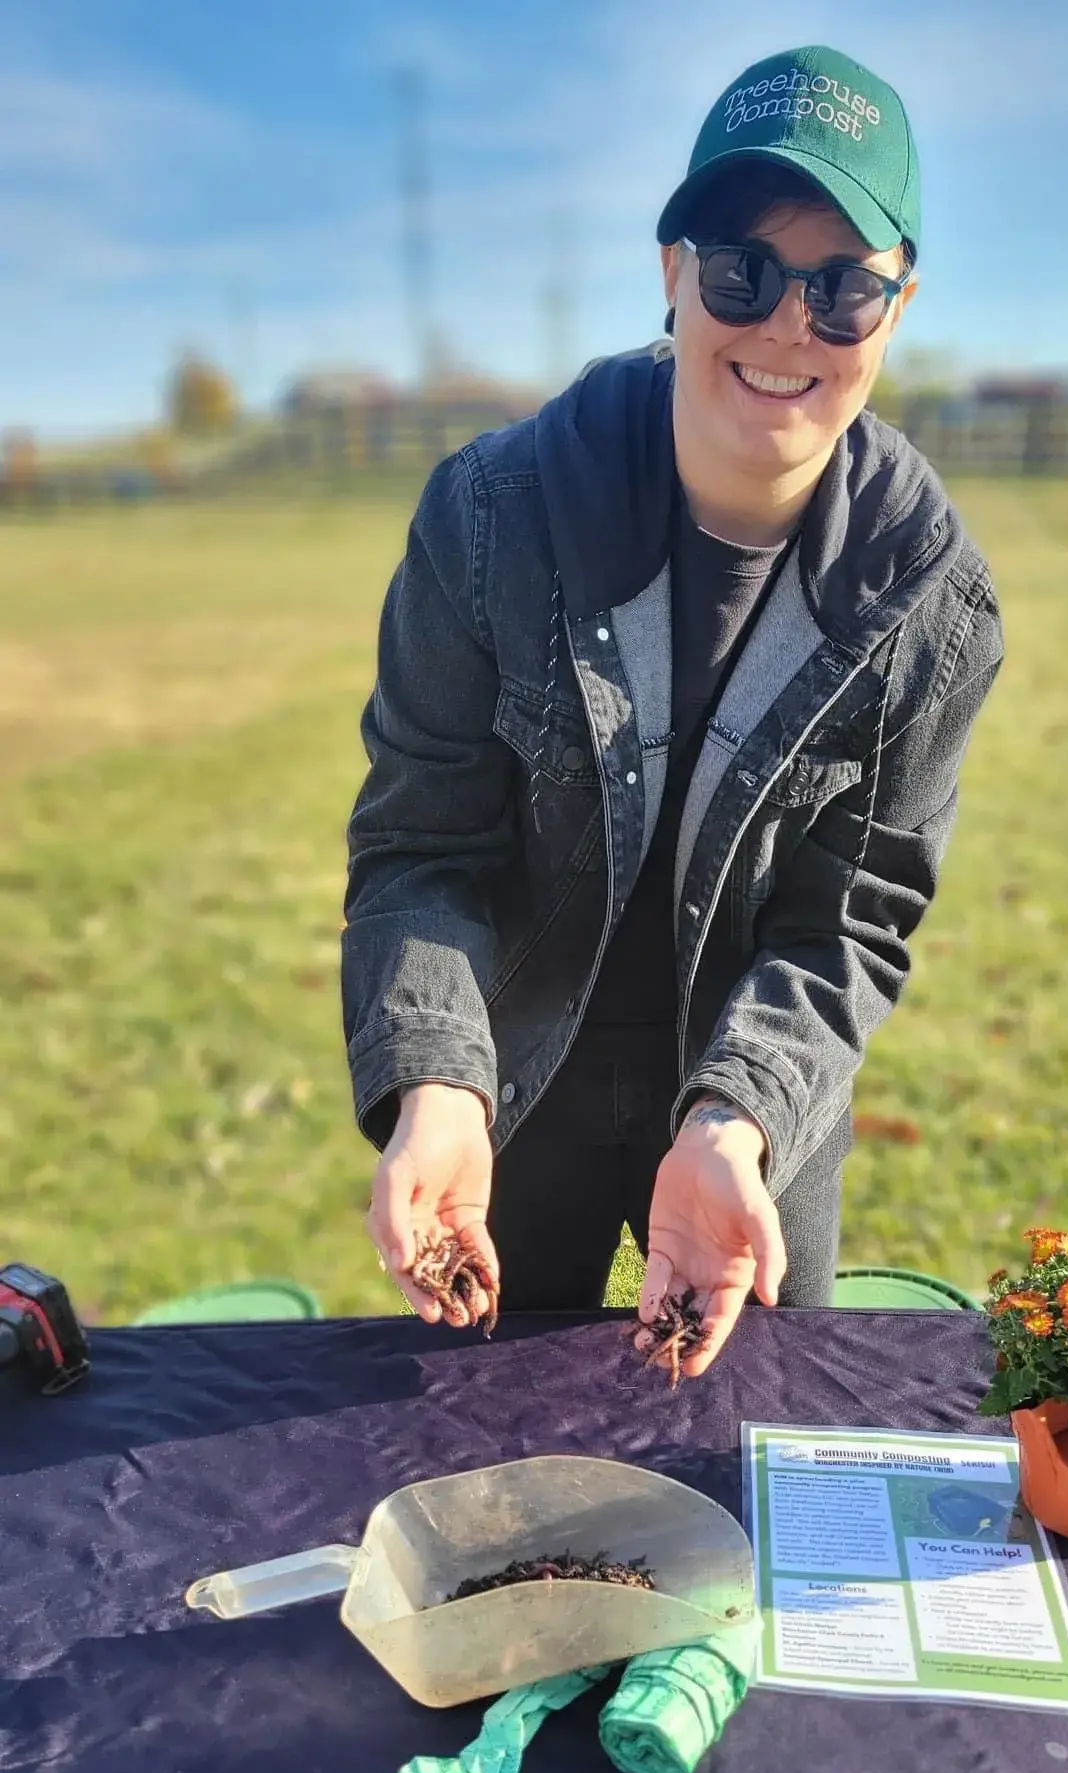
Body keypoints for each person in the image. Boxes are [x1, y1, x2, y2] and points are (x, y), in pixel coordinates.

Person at [342, 44, 1003, 1374]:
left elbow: (851, 921)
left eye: (844, 290)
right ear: (672, 273)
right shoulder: (489, 521)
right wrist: (439, 1083)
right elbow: (424, 849)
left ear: (898, 306)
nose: (786, 328)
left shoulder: (936, 607)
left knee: (760, 1461)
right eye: (743, 270)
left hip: (757, 1111)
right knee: (484, 1439)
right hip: (517, 1078)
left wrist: (737, 1119)